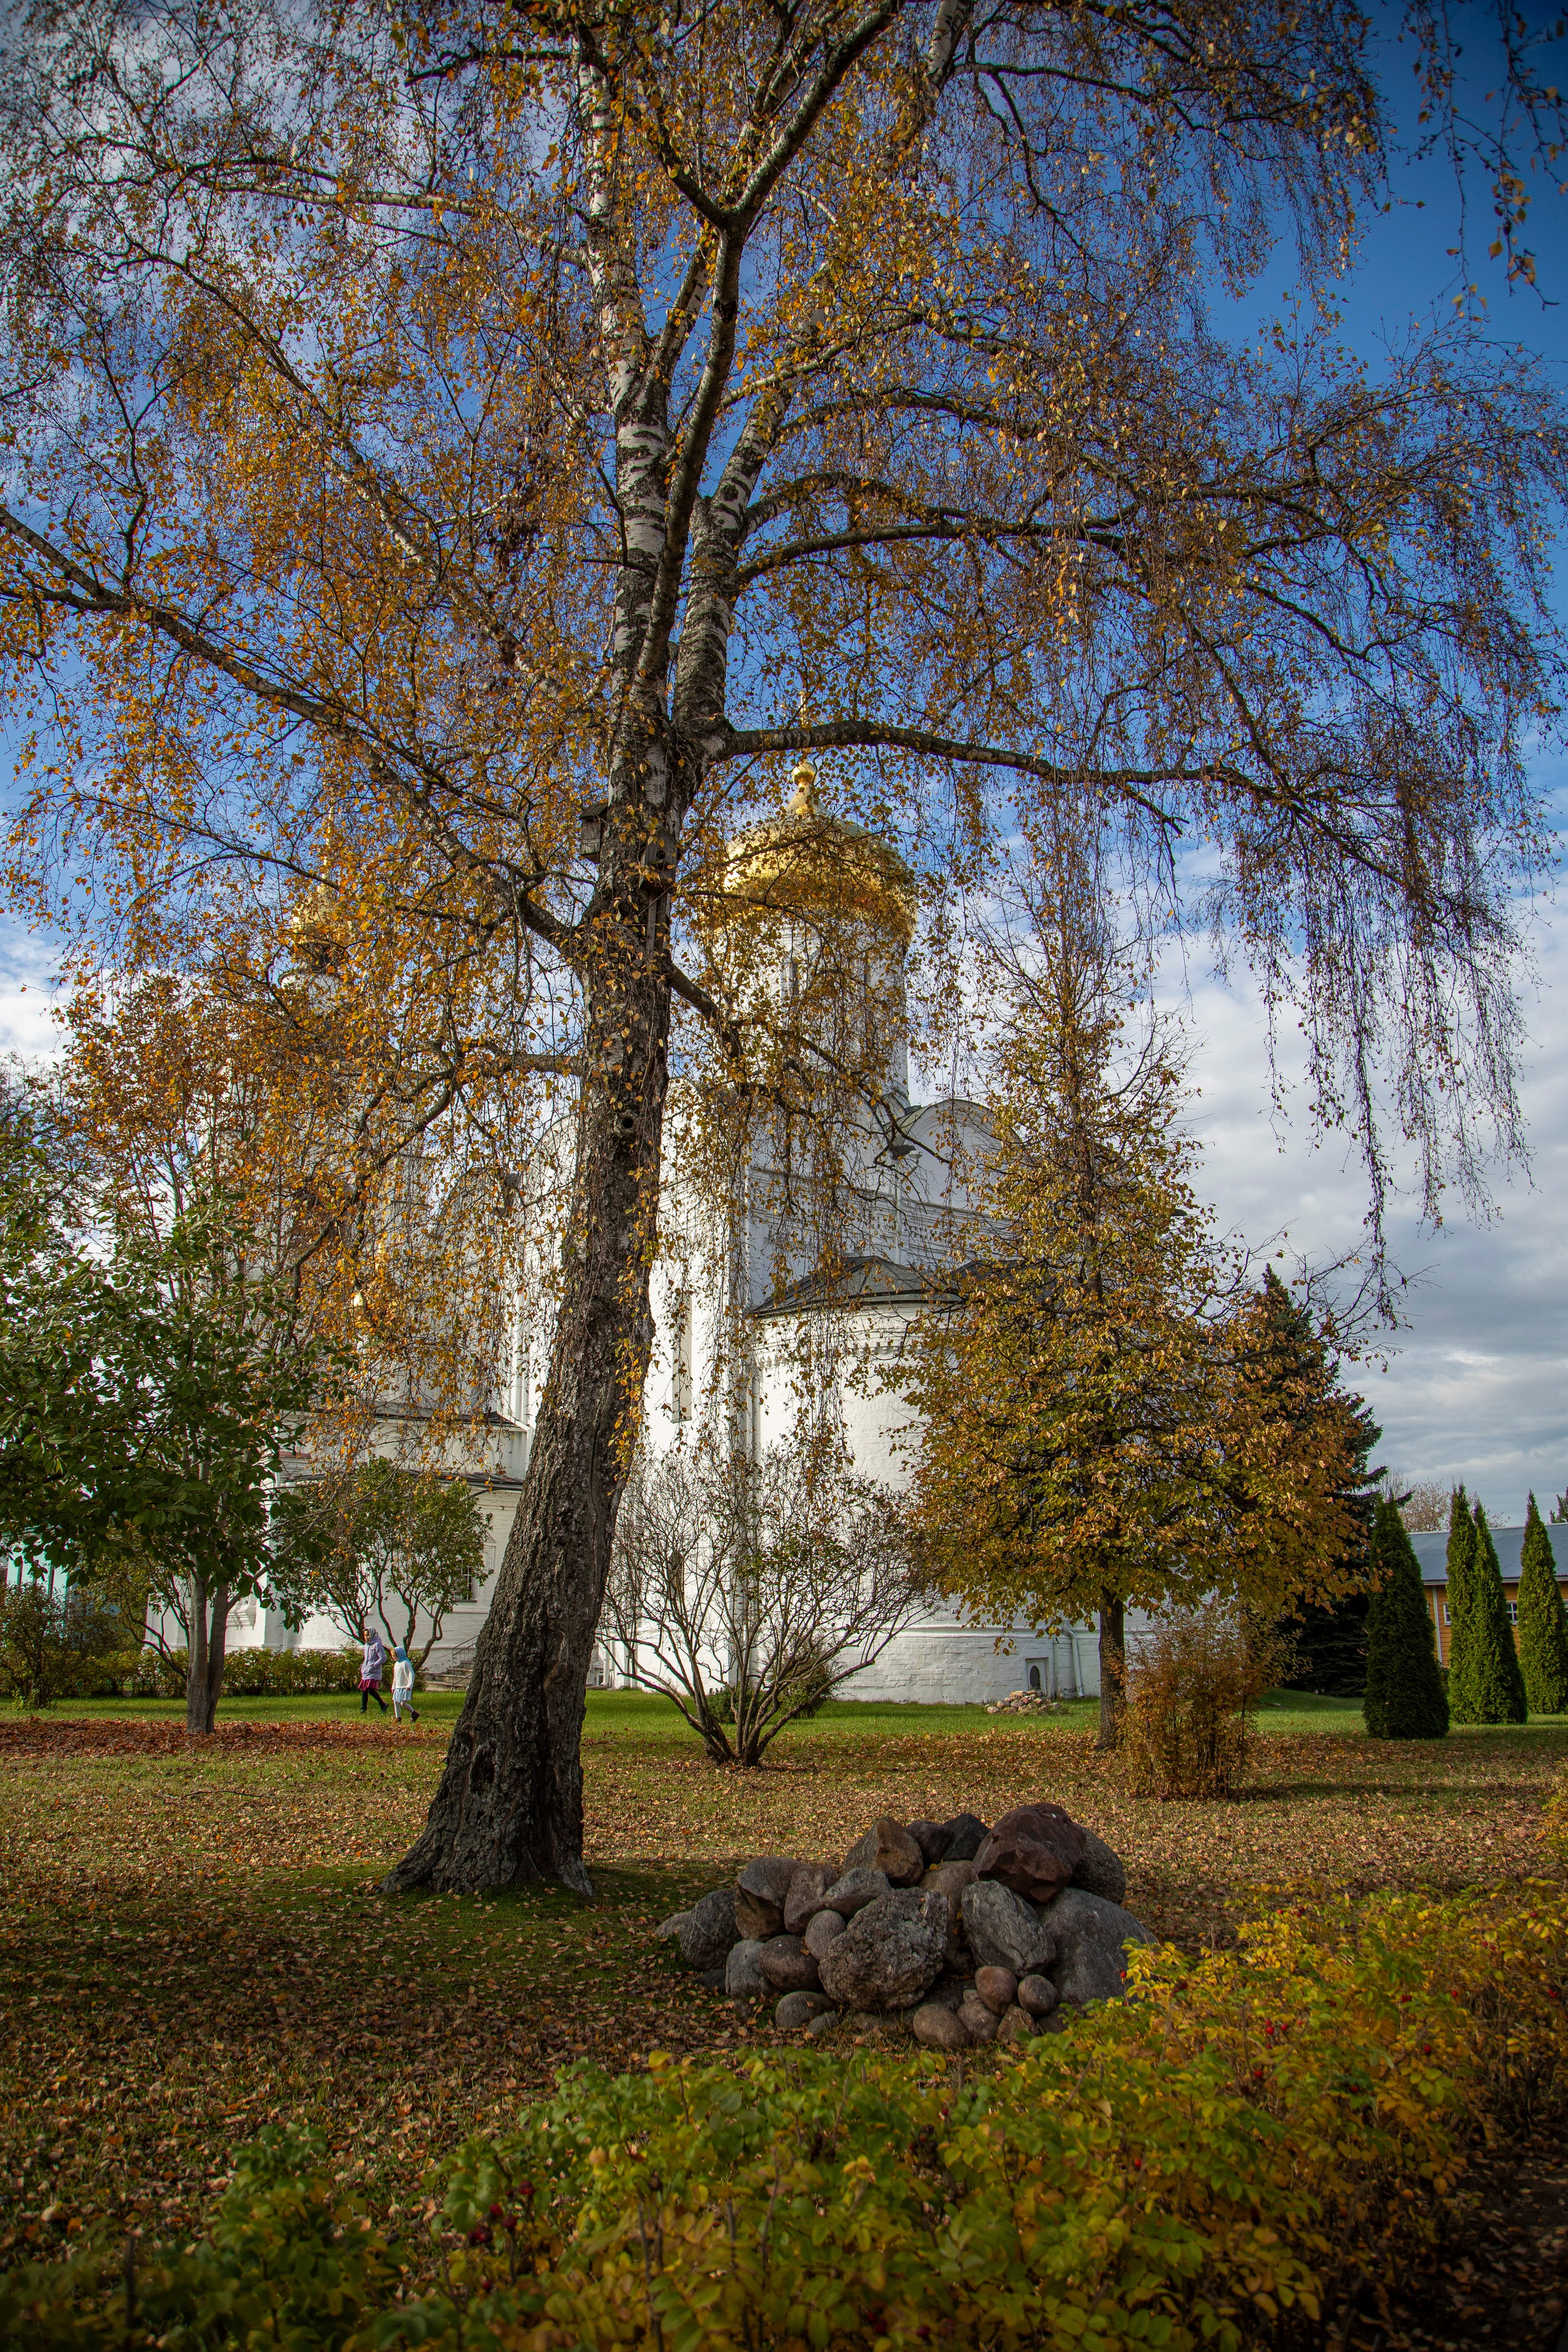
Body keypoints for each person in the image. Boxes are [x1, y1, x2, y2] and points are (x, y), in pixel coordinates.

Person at [359, 1621, 388, 1714]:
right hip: (366, 1672)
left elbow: (383, 1657)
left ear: (372, 1634)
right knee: (364, 1689)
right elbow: (366, 1659)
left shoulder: (377, 1644)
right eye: (365, 1635)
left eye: (368, 1635)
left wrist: (374, 1665)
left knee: (370, 1690)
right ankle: (363, 1708)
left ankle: (383, 1704)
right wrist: (363, 1667)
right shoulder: (366, 1646)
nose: (366, 1637)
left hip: (374, 1672)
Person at [391, 1642, 419, 1724]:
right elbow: (396, 1677)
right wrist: (394, 1687)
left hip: (405, 1687)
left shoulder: (405, 1663)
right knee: (396, 1702)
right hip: (398, 1687)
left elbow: (411, 1674)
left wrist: (410, 1685)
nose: (393, 1658)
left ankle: (414, 1713)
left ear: (399, 1655)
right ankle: (398, 1717)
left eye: (394, 1656)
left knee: (403, 1703)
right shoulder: (396, 1664)